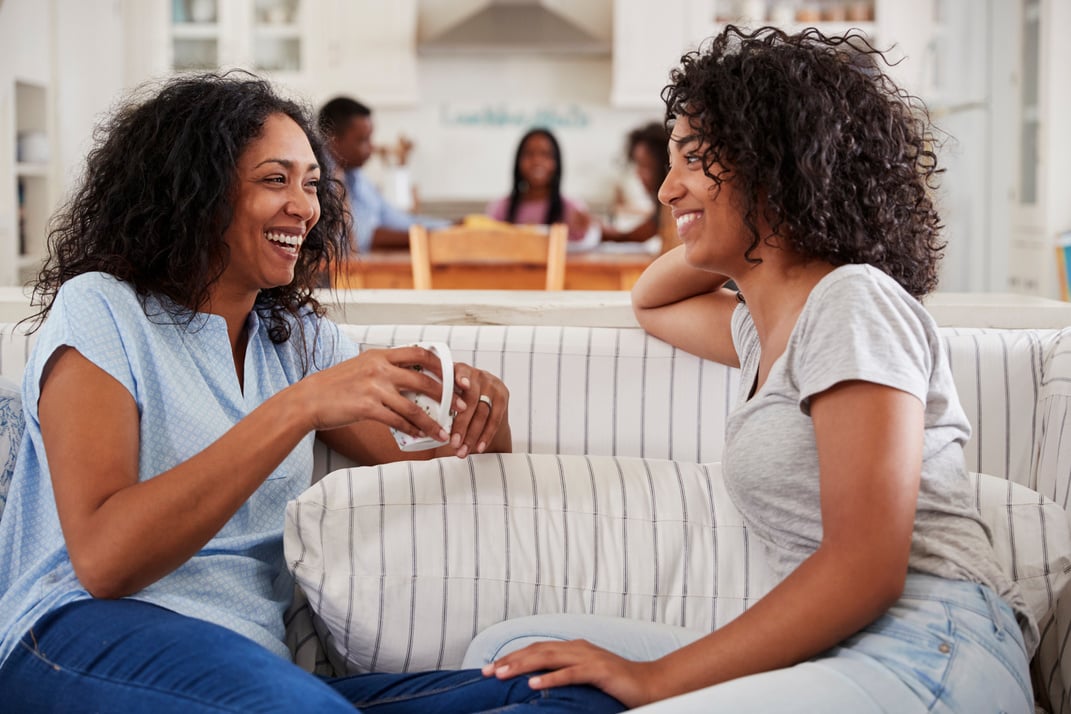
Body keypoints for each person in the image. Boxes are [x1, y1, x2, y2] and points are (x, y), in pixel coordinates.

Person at [0, 72, 623, 714]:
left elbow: (442, 464)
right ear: (194, 191)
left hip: (259, 674)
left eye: (310, 183)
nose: (306, 207)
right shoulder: (103, 310)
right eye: (275, 180)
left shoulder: (297, 340)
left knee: (571, 690)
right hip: (77, 636)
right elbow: (105, 560)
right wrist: (298, 407)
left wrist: (485, 414)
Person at [477, 26, 1037, 713]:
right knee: (513, 652)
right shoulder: (763, 328)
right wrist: (719, 211)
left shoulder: (852, 302)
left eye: (694, 157)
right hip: (842, 650)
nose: (665, 189)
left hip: (930, 645)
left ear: (771, 162)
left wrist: (655, 680)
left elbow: (867, 569)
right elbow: (649, 300)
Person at [318, 95, 450, 253]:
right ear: (333, 139)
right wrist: (430, 236)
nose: (372, 147)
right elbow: (361, 238)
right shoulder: (319, 178)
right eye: (362, 140)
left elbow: (395, 219)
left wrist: (447, 227)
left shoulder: (356, 175)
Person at [485, 127, 592, 242]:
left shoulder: (572, 208)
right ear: (518, 161)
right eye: (529, 154)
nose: (537, 161)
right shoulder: (501, 207)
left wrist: (586, 229)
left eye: (545, 154)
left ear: (557, 162)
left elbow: (583, 245)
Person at [600, 122, 670, 245]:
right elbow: (636, 235)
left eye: (645, 166)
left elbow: (632, 236)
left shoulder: (672, 206)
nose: (638, 174)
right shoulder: (663, 208)